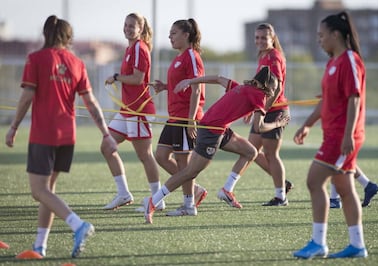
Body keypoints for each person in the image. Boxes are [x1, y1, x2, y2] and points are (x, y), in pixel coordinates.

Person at [5, 15, 117, 258]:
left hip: (44, 134)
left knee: (38, 191)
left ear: (45, 34)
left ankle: (78, 224)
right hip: (67, 136)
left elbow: (26, 97)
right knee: (48, 190)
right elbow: (91, 102)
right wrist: (106, 134)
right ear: (69, 37)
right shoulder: (76, 62)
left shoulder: (36, 59)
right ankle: (40, 246)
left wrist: (13, 126)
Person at [142, 66, 290, 224]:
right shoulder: (259, 94)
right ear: (264, 86)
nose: (273, 93)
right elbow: (259, 127)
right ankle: (153, 201)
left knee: (250, 152)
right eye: (273, 89)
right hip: (212, 131)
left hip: (219, 127)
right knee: (190, 172)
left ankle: (226, 190)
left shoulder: (242, 87)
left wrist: (191, 81)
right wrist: (277, 123)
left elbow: (218, 78)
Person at [293, 11, 368, 259]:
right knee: (345, 188)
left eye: (321, 35)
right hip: (333, 135)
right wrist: (307, 124)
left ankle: (318, 242)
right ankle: (357, 246)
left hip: (342, 137)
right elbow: (326, 101)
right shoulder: (332, 62)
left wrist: (348, 135)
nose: (319, 40)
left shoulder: (349, 60)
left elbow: (354, 99)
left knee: (314, 181)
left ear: (336, 35)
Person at [102, 12, 164, 211]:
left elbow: (138, 79)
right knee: (107, 146)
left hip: (139, 110)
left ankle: (158, 200)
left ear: (140, 29)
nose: (127, 28)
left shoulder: (139, 47)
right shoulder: (131, 48)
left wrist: (116, 77)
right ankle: (123, 194)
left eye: (132, 26)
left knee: (145, 155)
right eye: (126, 25)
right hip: (127, 110)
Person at [149, 19, 207, 216]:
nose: (170, 37)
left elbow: (197, 88)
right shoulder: (179, 57)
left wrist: (191, 120)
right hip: (174, 117)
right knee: (161, 156)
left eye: (174, 33)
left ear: (186, 35)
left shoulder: (191, 55)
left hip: (185, 118)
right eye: (170, 33)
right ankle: (195, 189)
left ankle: (188, 205)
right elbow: (182, 85)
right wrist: (165, 86)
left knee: (184, 163)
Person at [242, 23, 292, 207]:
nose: (260, 41)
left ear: (272, 38)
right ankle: (283, 183)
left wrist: (262, 110)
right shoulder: (262, 56)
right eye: (257, 37)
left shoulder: (273, 56)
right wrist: (251, 109)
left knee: (271, 154)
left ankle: (281, 197)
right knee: (251, 151)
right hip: (265, 110)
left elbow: (276, 88)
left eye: (264, 37)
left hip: (275, 111)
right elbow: (260, 89)